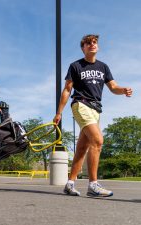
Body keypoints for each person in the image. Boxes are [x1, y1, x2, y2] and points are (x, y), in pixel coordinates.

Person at [53, 34, 132, 197]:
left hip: (96, 110)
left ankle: (70, 183)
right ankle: (93, 185)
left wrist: (122, 90)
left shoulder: (104, 67)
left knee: (82, 148)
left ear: (98, 46)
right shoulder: (75, 66)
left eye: (94, 42)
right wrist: (59, 112)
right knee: (97, 141)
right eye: (88, 43)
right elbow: (67, 89)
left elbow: (113, 87)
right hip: (81, 104)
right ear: (83, 48)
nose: (92, 45)